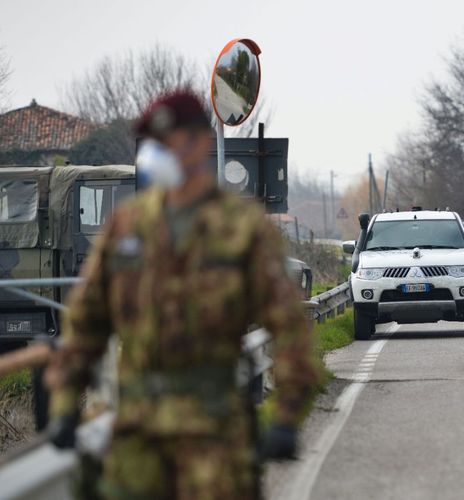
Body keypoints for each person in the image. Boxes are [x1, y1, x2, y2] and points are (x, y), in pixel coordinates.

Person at [44, 91, 319, 499]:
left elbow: (288, 325)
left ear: (200, 143)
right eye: (154, 143)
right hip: (136, 436)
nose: (159, 152)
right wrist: (65, 404)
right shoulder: (127, 227)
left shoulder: (241, 229)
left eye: (169, 140)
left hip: (214, 434)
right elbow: (86, 322)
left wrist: (287, 414)